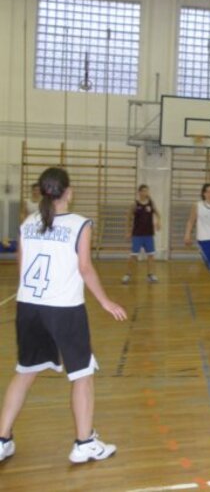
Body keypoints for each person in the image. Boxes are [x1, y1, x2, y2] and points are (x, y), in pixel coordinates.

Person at [0, 167, 127, 465]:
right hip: (64, 308)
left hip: (28, 306)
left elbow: (21, 263)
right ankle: (84, 443)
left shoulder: (28, 222)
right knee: (82, 374)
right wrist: (105, 301)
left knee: (25, 372)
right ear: (68, 192)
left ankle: (2, 440)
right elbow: (85, 268)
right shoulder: (79, 224)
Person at [122, 184, 161, 284]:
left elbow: (158, 214)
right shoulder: (135, 204)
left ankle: (150, 275)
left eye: (147, 191)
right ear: (139, 192)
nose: (145, 193)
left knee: (151, 255)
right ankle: (128, 275)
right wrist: (127, 231)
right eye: (143, 191)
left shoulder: (151, 203)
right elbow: (128, 217)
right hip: (137, 235)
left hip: (149, 234)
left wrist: (158, 222)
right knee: (133, 256)